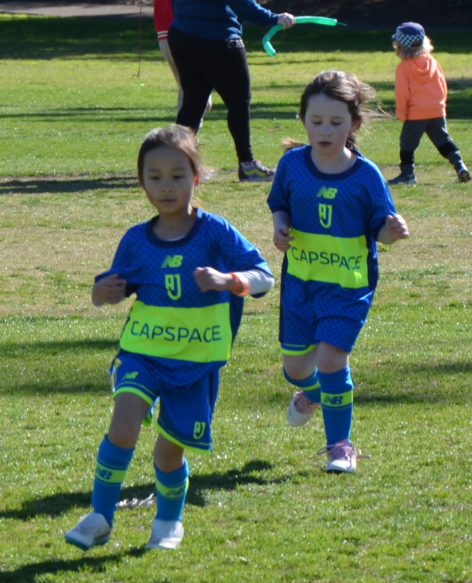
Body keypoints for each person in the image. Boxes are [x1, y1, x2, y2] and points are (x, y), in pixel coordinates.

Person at [65, 125, 273, 551]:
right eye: (154, 176)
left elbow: (265, 277)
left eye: (177, 175)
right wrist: (99, 293)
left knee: (167, 454)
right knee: (123, 426)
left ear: (196, 178)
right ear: (141, 182)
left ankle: (167, 523)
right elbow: (112, 287)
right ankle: (100, 516)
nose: (166, 186)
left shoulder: (216, 233)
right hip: (143, 353)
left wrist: (229, 279)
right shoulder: (137, 240)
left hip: (196, 363)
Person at [268, 70, 410, 473]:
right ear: (303, 121)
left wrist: (392, 232)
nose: (325, 130)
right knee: (296, 369)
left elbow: (379, 228)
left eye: (336, 122)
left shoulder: (366, 176)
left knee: (331, 360)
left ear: (354, 124)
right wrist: (280, 226)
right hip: (301, 283)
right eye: (316, 122)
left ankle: (339, 447)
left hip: (349, 286)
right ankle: (311, 394)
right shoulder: (292, 165)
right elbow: (280, 203)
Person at [167, 0, 295, 182]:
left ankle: (173, 164)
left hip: (181, 34)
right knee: (239, 103)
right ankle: (248, 165)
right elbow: (241, 3)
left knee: (193, 103)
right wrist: (273, 18)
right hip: (218, 38)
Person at [388, 22, 471, 186]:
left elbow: (402, 93)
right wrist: (441, 105)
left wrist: (402, 112)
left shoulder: (404, 67)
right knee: (443, 141)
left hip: (415, 113)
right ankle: (459, 165)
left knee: (407, 143)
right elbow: (442, 85)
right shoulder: (432, 61)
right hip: (436, 110)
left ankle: (407, 174)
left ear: (400, 45)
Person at [153, 0, 210, 116]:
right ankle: (182, 132)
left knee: (194, 92)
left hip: (171, 31)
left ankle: (185, 130)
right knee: (193, 92)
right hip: (183, 30)